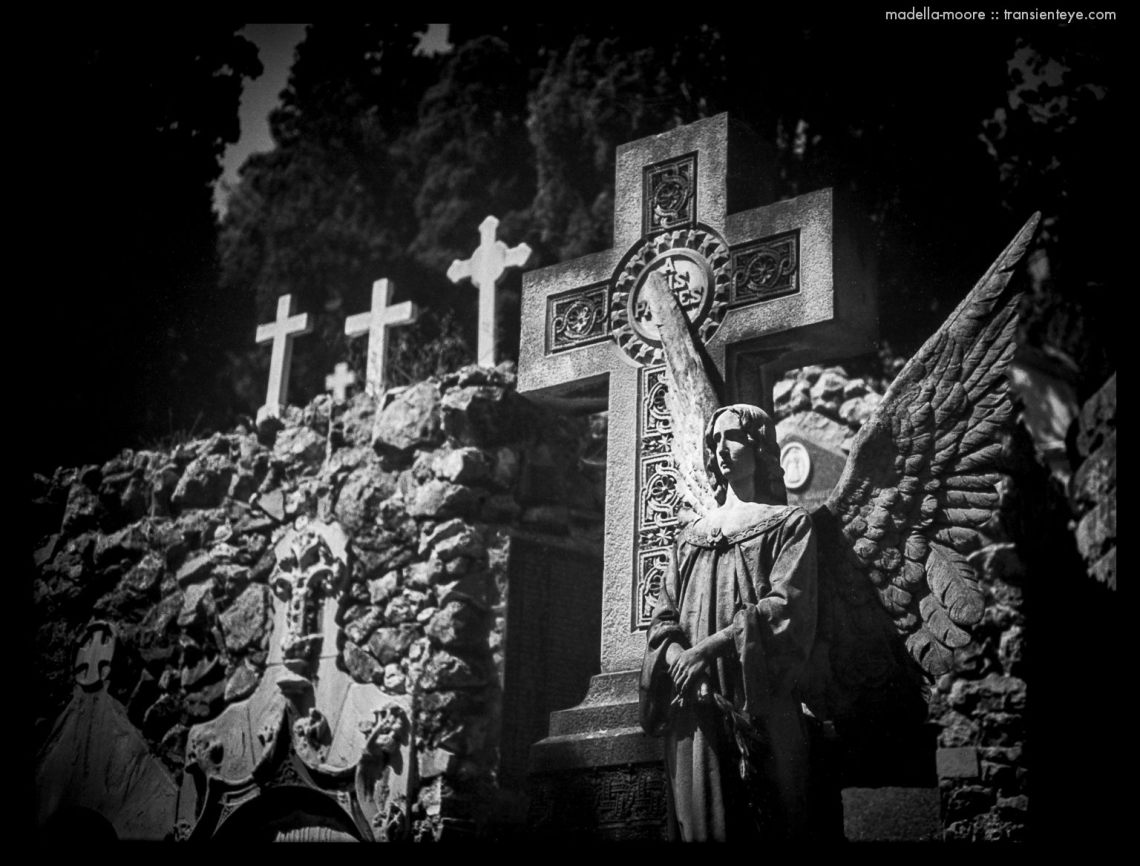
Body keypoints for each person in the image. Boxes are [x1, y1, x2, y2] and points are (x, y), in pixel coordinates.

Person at [639, 404, 818, 841]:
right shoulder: (690, 536)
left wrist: (707, 649)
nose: (720, 448)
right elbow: (663, 615)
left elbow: (786, 607)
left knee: (768, 818)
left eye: (732, 437)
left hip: (756, 696)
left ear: (758, 446)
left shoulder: (788, 524)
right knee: (702, 819)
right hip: (694, 702)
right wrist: (681, 656)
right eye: (713, 440)